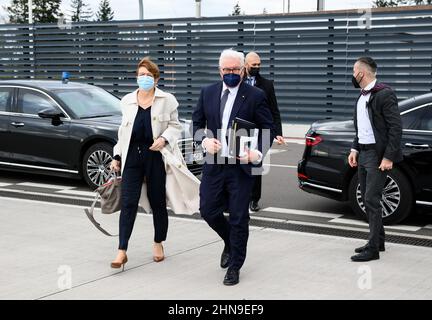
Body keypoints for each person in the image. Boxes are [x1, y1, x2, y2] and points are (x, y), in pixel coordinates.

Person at [192, 49, 274, 285]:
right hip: (214, 164)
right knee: (208, 209)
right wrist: (204, 140)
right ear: (220, 70)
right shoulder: (207, 92)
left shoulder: (255, 95)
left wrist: (256, 153)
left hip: (242, 167)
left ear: (243, 70)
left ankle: (235, 265)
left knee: (239, 217)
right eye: (226, 70)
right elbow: (196, 124)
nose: (230, 74)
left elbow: (268, 127)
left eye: (235, 70)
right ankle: (229, 241)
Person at [110, 57, 200, 270]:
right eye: (141, 75)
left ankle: (158, 242)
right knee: (129, 203)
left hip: (155, 157)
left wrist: (164, 138)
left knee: (157, 201)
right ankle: (122, 250)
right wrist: (116, 156)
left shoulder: (167, 99)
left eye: (148, 76)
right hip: (132, 156)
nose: (144, 79)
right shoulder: (127, 100)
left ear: (156, 79)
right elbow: (123, 132)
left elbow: (176, 126)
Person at [348, 57, 402, 262]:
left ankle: (373, 249)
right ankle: (378, 241)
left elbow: (396, 128)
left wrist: (388, 157)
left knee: (371, 198)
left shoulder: (384, 94)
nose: (352, 75)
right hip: (363, 153)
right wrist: (354, 148)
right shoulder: (362, 96)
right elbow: (362, 128)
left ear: (362, 73)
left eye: (354, 71)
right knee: (367, 197)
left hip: (377, 155)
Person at [244, 51, 284, 212]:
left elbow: (274, 110)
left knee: (256, 164)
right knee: (237, 163)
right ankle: (238, 196)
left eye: (259, 65)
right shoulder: (238, 82)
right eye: (254, 65)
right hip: (241, 130)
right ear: (246, 65)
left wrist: (278, 132)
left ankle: (254, 199)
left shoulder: (267, 84)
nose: (257, 67)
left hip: (261, 132)